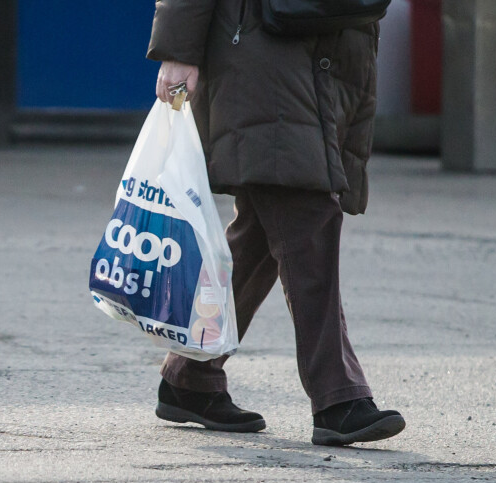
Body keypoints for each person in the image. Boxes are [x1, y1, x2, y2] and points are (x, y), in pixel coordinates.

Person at [146, 0, 406, 446]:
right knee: (307, 216)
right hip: (262, 51)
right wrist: (178, 51)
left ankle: (191, 372)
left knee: (261, 234)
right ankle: (337, 396)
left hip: (324, 46)